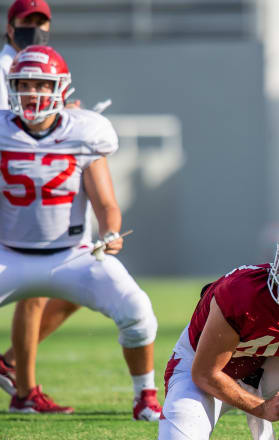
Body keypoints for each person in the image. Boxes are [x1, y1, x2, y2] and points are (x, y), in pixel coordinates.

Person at [0, 45, 162, 420]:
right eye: (23, 84)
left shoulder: (85, 133)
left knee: (138, 312)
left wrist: (111, 231)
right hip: (8, 254)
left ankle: (145, 399)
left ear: (60, 89)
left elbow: (106, 203)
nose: (32, 93)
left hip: (70, 255)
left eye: (41, 85)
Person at [158, 223, 279, 440]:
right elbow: (205, 372)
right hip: (202, 369)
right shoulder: (241, 292)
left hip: (260, 367)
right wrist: (261, 408)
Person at [0, 0, 83, 395]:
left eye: (41, 22)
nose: (35, 28)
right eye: (26, 22)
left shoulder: (47, 63)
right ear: (10, 27)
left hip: (43, 188)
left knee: (69, 292)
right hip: (13, 191)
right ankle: (25, 391)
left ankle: (11, 365)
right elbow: (17, 124)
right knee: (36, 290)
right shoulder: (4, 67)